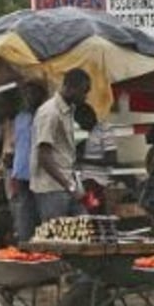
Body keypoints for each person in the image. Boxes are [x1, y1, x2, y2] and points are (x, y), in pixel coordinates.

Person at [31, 69, 91, 223]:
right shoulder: (50, 112)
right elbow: (43, 155)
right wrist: (69, 186)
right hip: (52, 188)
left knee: (84, 229)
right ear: (70, 88)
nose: (85, 97)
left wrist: (73, 185)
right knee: (56, 238)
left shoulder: (68, 110)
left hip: (67, 184)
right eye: (83, 91)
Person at [9, 82, 46, 242]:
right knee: (25, 210)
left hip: (41, 171)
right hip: (22, 172)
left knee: (42, 210)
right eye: (26, 94)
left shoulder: (45, 116)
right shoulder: (20, 118)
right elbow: (17, 144)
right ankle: (26, 242)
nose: (29, 98)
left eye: (33, 93)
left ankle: (42, 244)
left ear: (41, 96)